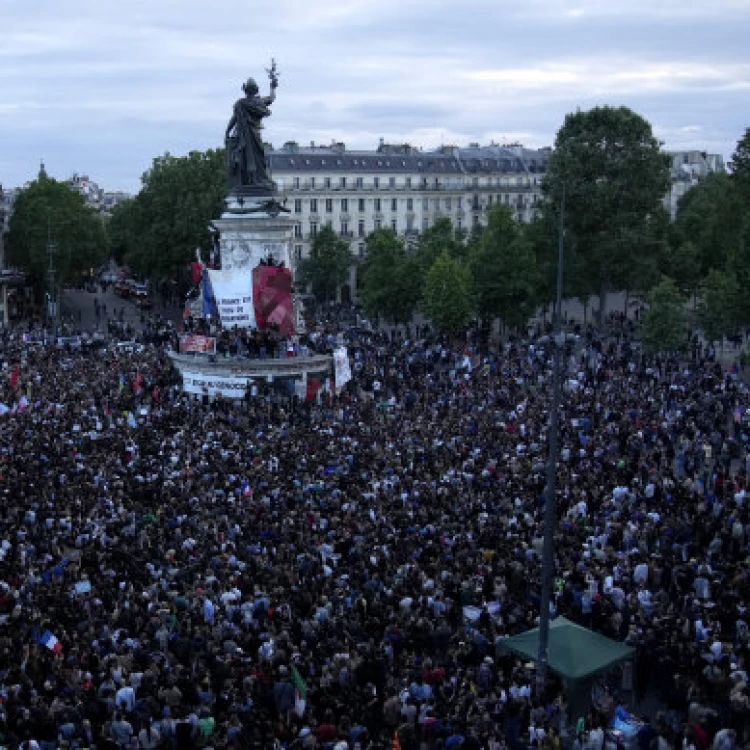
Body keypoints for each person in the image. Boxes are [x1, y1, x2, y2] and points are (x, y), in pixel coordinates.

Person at [225, 62, 278, 191]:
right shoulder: (251, 102)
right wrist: (272, 86)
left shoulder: (242, 103)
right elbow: (272, 98)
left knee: (252, 157)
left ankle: (255, 180)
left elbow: (234, 119)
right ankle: (254, 181)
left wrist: (227, 131)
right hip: (250, 134)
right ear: (255, 90)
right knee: (255, 157)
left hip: (247, 135)